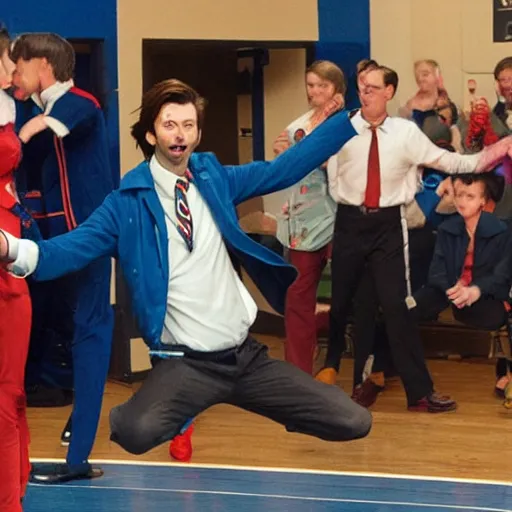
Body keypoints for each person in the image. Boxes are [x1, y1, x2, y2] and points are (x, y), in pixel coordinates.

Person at [0, 79, 371, 460]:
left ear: (198, 133)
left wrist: (351, 123)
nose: (180, 135)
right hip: (187, 366)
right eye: (169, 125)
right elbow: (68, 251)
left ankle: (278, 404)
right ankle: (175, 404)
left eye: (188, 125)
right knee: (133, 431)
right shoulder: (125, 204)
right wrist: (10, 247)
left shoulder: (216, 180)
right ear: (151, 133)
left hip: (247, 360)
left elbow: (283, 169)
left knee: (353, 421)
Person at [316, 63, 512, 412]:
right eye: (362, 87)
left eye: (373, 87)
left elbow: (451, 162)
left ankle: (419, 392)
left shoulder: (405, 134)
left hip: (389, 225)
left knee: (397, 307)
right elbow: (307, 154)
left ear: (389, 92)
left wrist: (499, 149)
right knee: (350, 304)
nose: (366, 93)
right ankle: (355, 380)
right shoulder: (340, 128)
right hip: (348, 222)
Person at [9, 33, 116, 483]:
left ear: (43, 66)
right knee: (31, 337)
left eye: (19, 66)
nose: (13, 75)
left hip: (88, 242)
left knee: (91, 337)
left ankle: (79, 456)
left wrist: (31, 127)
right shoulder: (33, 110)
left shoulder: (79, 104)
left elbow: (73, 116)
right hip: (48, 249)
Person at [273, 60, 345, 375]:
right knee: (298, 296)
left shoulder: (345, 123)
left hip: (340, 215)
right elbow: (287, 160)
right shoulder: (300, 122)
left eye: (322, 86)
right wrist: (281, 152)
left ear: (337, 91)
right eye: (311, 84)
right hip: (303, 217)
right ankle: (297, 371)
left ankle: (357, 364)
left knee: (353, 291)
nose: (315, 91)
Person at [0, 30, 31, 512]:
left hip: (12, 261)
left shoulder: (6, 108)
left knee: (11, 390)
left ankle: (13, 491)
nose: (12, 72)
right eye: (5, 62)